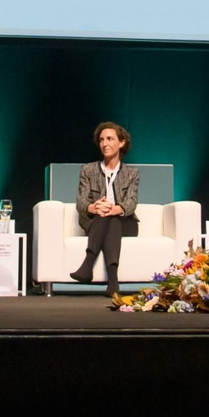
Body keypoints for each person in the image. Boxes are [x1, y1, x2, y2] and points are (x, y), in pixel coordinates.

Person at [68, 121, 139, 299]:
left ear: (121, 143)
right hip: (96, 221)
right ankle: (113, 282)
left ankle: (87, 266)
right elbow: (81, 200)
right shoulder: (88, 169)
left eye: (110, 139)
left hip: (126, 223)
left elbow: (131, 202)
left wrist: (115, 209)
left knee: (113, 218)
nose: (104, 144)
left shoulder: (132, 173)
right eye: (101, 140)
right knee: (106, 218)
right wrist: (93, 207)